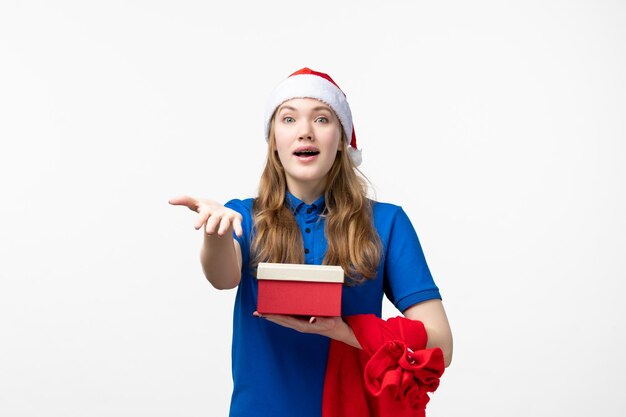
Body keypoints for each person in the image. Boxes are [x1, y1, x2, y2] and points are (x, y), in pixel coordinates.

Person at [169, 67, 453, 417]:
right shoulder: (241, 215)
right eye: (288, 119)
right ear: (274, 139)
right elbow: (222, 277)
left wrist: (347, 330)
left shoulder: (387, 222)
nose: (305, 131)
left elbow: (441, 342)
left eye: (321, 119)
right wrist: (216, 235)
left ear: (342, 138)